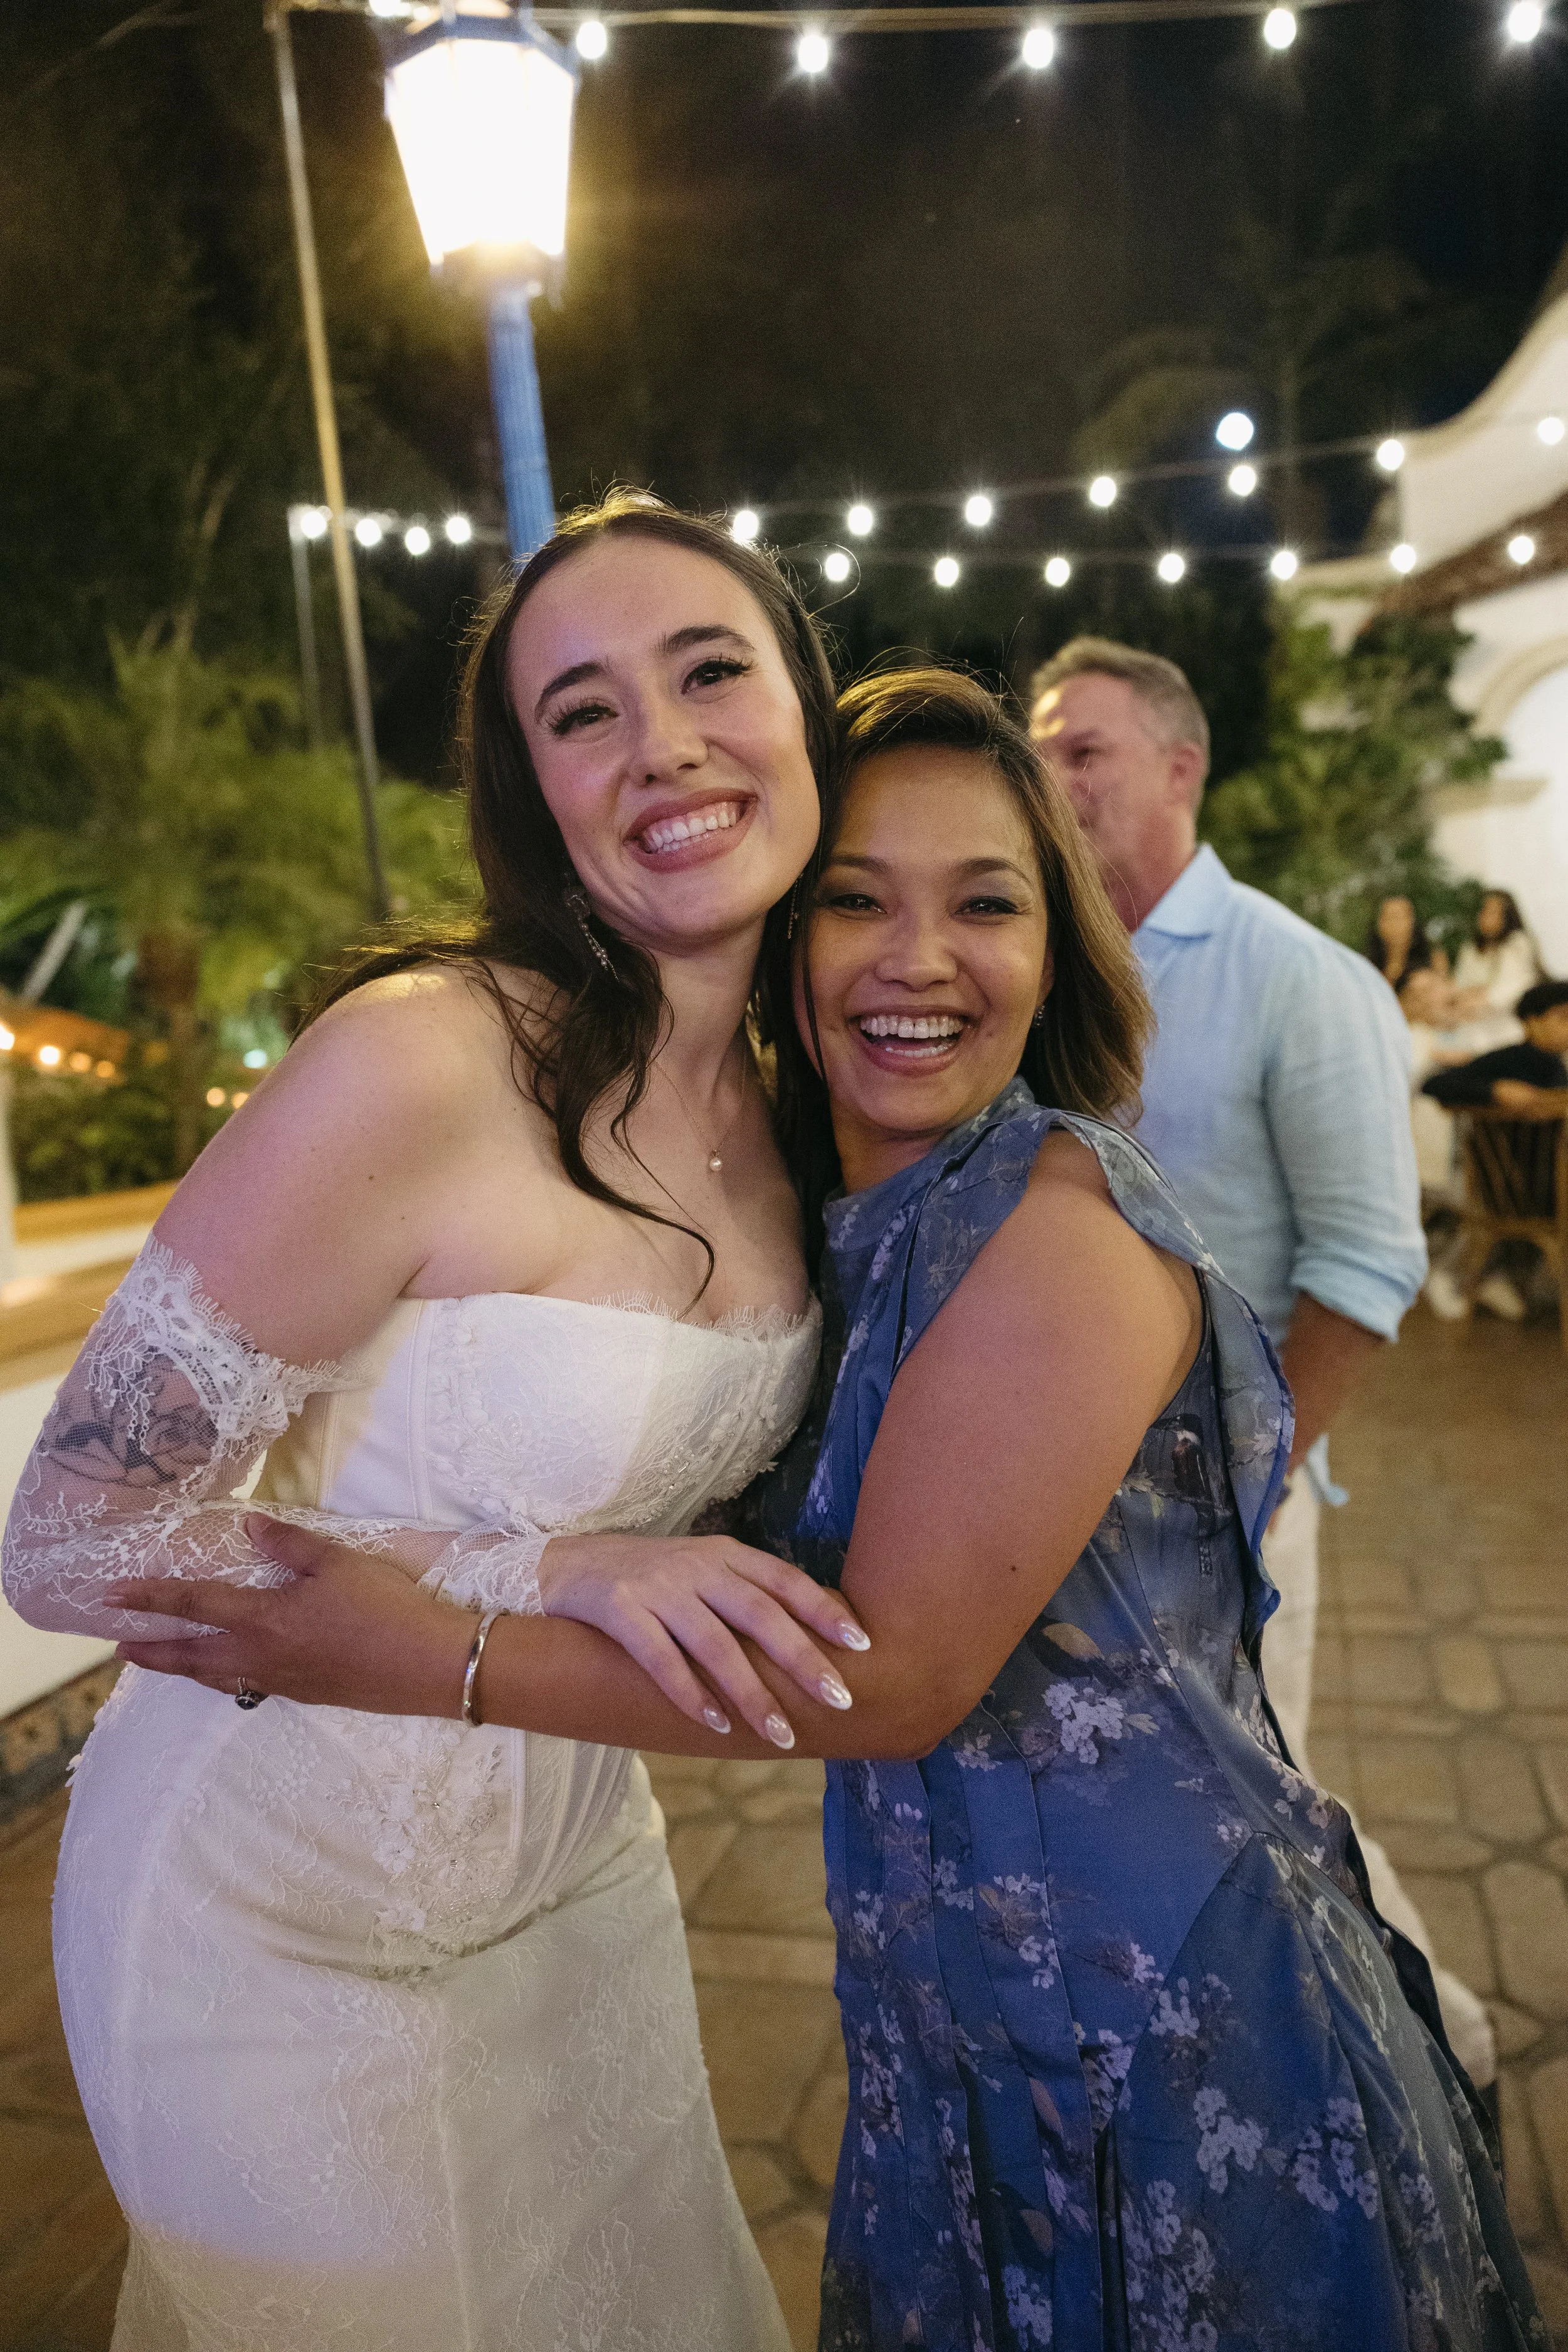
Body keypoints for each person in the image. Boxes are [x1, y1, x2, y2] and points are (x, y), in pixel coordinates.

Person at [107, 667, 1540, 2352]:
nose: (917, 956)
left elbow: (896, 1674)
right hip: (955, 1998)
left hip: (1160, 2011)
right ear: (779, 940)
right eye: (855, 898)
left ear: (1057, 949)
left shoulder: (1051, 1223)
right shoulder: (826, 1221)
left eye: (985, 903)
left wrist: (413, 1648)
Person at [1, 491, 890, 2350]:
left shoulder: (790, 1108)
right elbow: (71, 1531)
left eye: (709, 672)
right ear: (533, 791)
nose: (662, 743)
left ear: (805, 714)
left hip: (574, 1875)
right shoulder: (425, 1055)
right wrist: (543, 1564)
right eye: (583, 710)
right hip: (268, 1902)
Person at [1025, 637, 1501, 2102]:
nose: (1046, 775)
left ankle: (1434, 2049)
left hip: (1222, 1490)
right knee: (1138, 1816)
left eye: (1082, 748)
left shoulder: (1299, 976)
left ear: (1182, 767)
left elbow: (1366, 1264)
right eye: (1036, 749)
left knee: (1253, 1812)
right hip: (1048, 1490)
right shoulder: (1037, 966)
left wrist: (1255, 1476)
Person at [1421, 978, 1568, 1323]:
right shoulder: (1509, 1060)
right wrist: (1494, 1091)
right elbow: (1436, 1082)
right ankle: (1487, 1277)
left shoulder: (1557, 1067)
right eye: (1563, 1017)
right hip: (1519, 1189)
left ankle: (1508, 1279)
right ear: (1532, 1021)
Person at [1453, 888, 1542, 1019]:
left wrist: (1483, 996)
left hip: (1511, 1018)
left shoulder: (1518, 943)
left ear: (1507, 916)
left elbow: (1515, 985)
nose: (1485, 917)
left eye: (1492, 912)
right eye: (1483, 911)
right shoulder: (1470, 948)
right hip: (1473, 1017)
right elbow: (1461, 983)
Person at [1364, 891, 1438, 989]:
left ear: (1412, 922)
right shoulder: (1366, 968)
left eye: (1399, 917)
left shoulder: (1433, 963)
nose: (1394, 925)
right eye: (1388, 918)